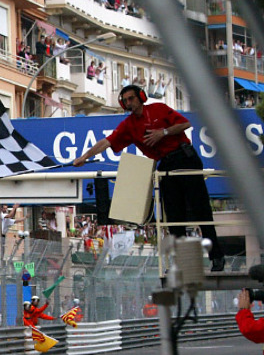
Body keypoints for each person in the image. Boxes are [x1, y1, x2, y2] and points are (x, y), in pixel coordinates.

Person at [73, 84, 226, 272]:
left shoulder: (159, 109)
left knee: (201, 210)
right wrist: (84, 157)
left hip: (185, 158)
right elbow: (107, 141)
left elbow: (185, 124)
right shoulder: (129, 125)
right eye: (126, 100)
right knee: (173, 217)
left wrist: (164, 132)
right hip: (166, 165)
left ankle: (217, 257)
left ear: (141, 97)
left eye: (131, 98)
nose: (129, 103)